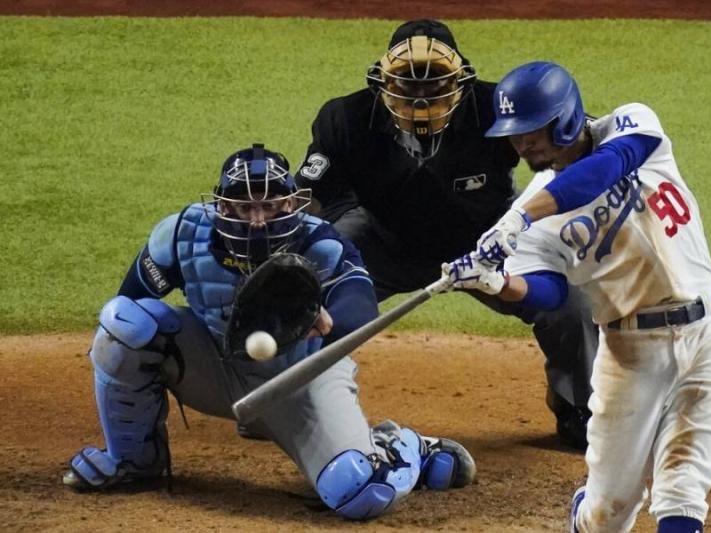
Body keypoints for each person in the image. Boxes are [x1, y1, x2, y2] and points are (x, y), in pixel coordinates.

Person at [63, 143, 477, 520]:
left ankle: (399, 447)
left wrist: (323, 318)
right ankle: (135, 459)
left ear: (292, 205)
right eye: (244, 207)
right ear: (222, 207)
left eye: (272, 206)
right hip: (218, 369)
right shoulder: (181, 236)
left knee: (358, 492)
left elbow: (360, 307)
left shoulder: (321, 243)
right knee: (124, 324)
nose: (258, 220)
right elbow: (129, 302)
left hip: (302, 380)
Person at [443, 62, 711, 532]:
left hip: (709, 335)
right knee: (608, 514)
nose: (522, 144)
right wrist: (497, 284)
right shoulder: (529, 216)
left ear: (564, 115)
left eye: (531, 129)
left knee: (683, 489)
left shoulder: (631, 124)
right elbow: (550, 292)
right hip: (631, 355)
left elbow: (605, 168)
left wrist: (518, 220)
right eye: (514, 135)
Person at [296, 18, 598, 449]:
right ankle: (289, 398)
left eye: (434, 81)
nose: (420, 94)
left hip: (485, 242)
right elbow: (312, 195)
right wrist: (304, 258)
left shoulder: (496, 105)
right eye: (407, 81)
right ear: (382, 80)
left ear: (462, 80)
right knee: (309, 282)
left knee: (570, 301)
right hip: (382, 239)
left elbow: (573, 140)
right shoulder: (345, 117)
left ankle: (579, 406)